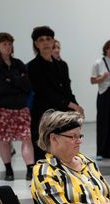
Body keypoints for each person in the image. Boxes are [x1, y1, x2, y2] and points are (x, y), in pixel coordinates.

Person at [28, 26, 83, 161]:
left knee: (64, 147)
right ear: (36, 44)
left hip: (62, 113)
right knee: (44, 149)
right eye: (41, 40)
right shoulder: (33, 66)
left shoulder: (62, 65)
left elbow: (67, 90)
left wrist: (76, 106)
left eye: (48, 39)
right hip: (43, 114)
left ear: (53, 42)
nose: (45, 42)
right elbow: (45, 91)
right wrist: (71, 105)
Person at [0, 32, 34, 181]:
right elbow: (2, 87)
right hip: (1, 108)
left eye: (9, 44)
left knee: (26, 137)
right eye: (4, 44)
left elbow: (28, 86)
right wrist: (18, 81)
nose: (8, 47)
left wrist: (11, 80)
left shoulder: (18, 64)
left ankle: (30, 169)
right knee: (5, 139)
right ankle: (8, 169)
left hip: (21, 107)